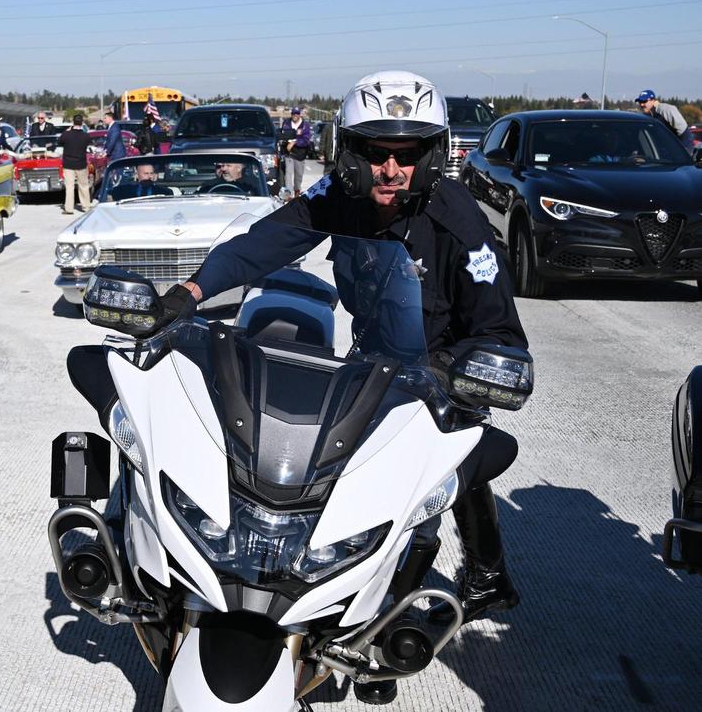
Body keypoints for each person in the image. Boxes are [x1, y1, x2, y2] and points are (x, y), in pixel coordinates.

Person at [160, 71, 529, 705]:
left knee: (442, 474)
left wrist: (478, 373)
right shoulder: (340, 194)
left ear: (431, 155)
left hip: (443, 363)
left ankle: (483, 575)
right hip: (376, 352)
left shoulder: (460, 219)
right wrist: (192, 291)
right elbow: (261, 244)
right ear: (348, 152)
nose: (390, 169)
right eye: (374, 152)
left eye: (406, 155)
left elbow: (499, 326)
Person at [59, 114, 91, 215]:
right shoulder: (85, 136)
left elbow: (59, 142)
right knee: (84, 186)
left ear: (73, 122)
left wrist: (67, 131)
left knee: (69, 187)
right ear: (82, 123)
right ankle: (86, 206)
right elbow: (87, 144)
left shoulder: (66, 134)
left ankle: (69, 208)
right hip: (81, 163)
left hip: (68, 164)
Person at [282, 107, 311, 197]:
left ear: (299, 115)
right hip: (289, 153)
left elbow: (306, 140)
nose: (295, 115)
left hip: (300, 153)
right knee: (288, 174)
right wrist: (286, 142)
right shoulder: (286, 123)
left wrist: (294, 142)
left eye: (297, 114)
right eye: (293, 114)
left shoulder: (305, 125)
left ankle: (297, 190)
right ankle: (289, 195)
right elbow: (283, 135)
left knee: (298, 175)